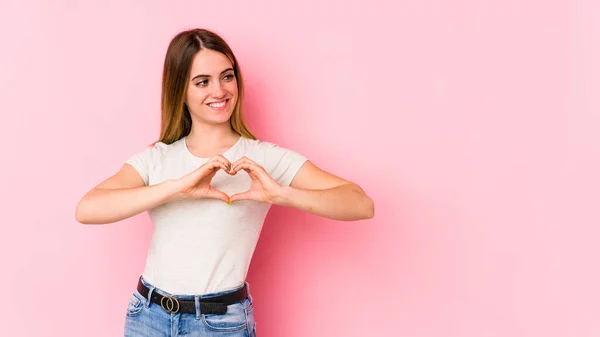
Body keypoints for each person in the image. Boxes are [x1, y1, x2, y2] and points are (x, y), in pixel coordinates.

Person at [75, 28, 374, 336]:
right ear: (180, 90)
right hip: (147, 317)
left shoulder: (263, 158)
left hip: (219, 324)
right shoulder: (157, 158)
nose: (219, 90)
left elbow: (359, 202)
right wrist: (178, 187)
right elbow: (87, 209)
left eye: (227, 76)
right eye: (202, 81)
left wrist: (280, 193)